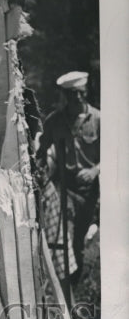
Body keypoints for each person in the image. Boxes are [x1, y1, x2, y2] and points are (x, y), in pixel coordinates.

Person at [37, 70, 100, 293]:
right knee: (68, 237)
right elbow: (41, 151)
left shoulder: (99, 119)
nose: (77, 97)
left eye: (81, 92)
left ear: (86, 92)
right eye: (72, 94)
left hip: (91, 192)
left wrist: (95, 170)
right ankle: (66, 291)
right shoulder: (54, 121)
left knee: (78, 241)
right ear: (65, 95)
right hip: (66, 189)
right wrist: (42, 168)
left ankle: (76, 286)